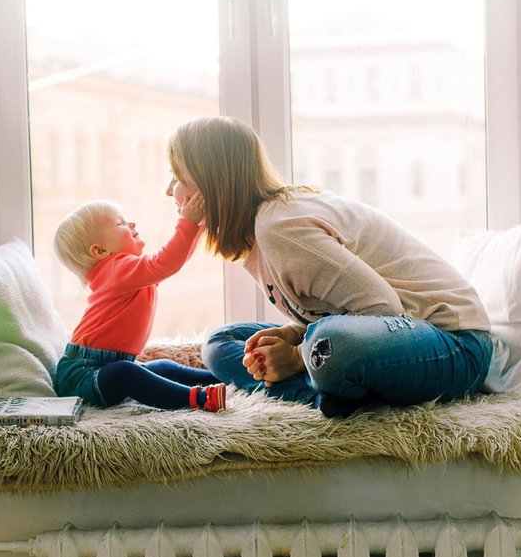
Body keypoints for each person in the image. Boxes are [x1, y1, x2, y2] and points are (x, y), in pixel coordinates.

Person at [165, 116, 492, 418]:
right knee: (221, 342)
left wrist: (295, 356)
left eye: (179, 178)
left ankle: (323, 387)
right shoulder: (258, 234)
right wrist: (296, 337)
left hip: (455, 344)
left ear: (213, 185)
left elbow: (383, 309)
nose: (170, 191)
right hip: (387, 336)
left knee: (330, 344)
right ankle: (330, 395)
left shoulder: (280, 228)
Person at [52, 196, 227, 412]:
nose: (131, 224)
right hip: (82, 375)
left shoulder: (126, 272)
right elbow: (166, 262)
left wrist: (198, 227)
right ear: (99, 251)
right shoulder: (117, 269)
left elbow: (173, 263)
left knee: (161, 367)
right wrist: (189, 223)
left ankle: (221, 379)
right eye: (120, 224)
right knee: (125, 373)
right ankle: (198, 398)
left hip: (106, 365)